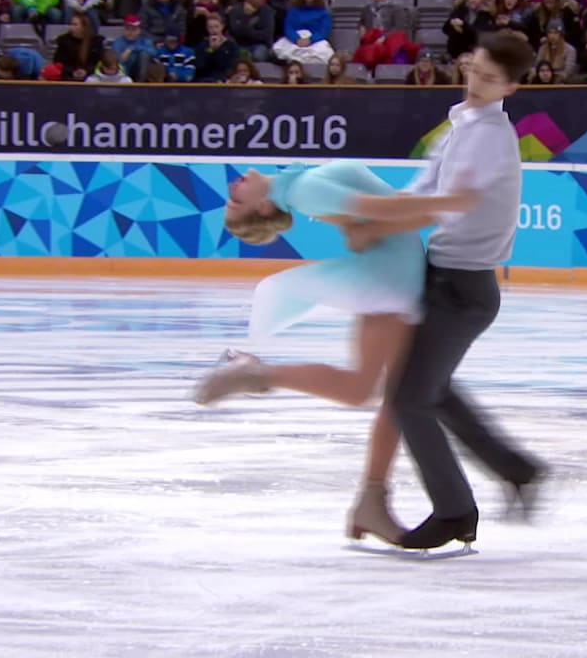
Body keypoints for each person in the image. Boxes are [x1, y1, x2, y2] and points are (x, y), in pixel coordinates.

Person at [192, 160, 476, 545]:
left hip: (394, 276)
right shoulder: (303, 190)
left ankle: (370, 501)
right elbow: (381, 211)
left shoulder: (301, 185)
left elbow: (369, 216)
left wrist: (363, 228)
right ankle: (257, 374)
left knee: (380, 395)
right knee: (382, 394)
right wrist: (453, 203)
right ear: (262, 208)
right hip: (390, 281)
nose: (233, 188)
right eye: (235, 201)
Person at [341, 31, 546, 551]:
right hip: (444, 276)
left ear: (512, 87)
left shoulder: (490, 137)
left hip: (464, 287)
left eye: (490, 79)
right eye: (474, 69)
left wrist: (377, 222)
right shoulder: (460, 124)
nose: (476, 83)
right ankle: (517, 469)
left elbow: (450, 203)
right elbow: (424, 191)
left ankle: (454, 510)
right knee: (435, 391)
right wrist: (378, 214)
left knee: (409, 398)